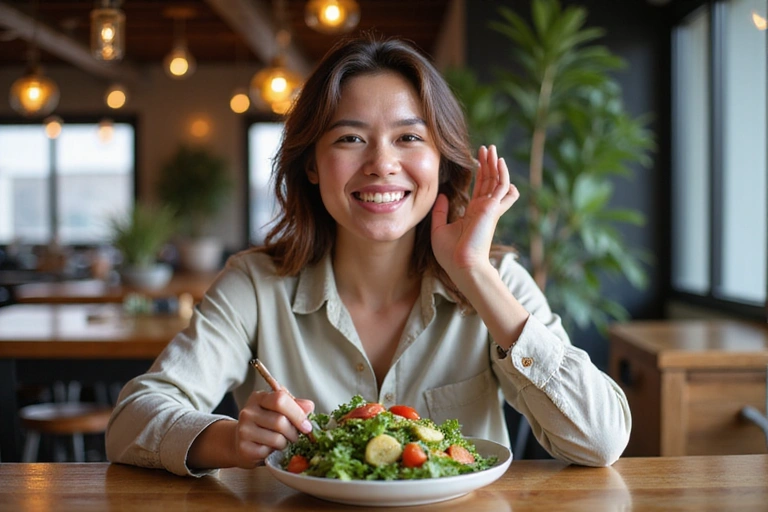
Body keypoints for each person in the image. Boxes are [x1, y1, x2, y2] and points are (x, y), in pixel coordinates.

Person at [105, 35, 631, 477]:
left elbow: (601, 440)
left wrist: (475, 275)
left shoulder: (498, 283)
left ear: (442, 162)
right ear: (311, 164)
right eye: (351, 138)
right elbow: (131, 421)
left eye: (408, 137)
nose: (382, 164)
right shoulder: (255, 284)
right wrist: (228, 440)